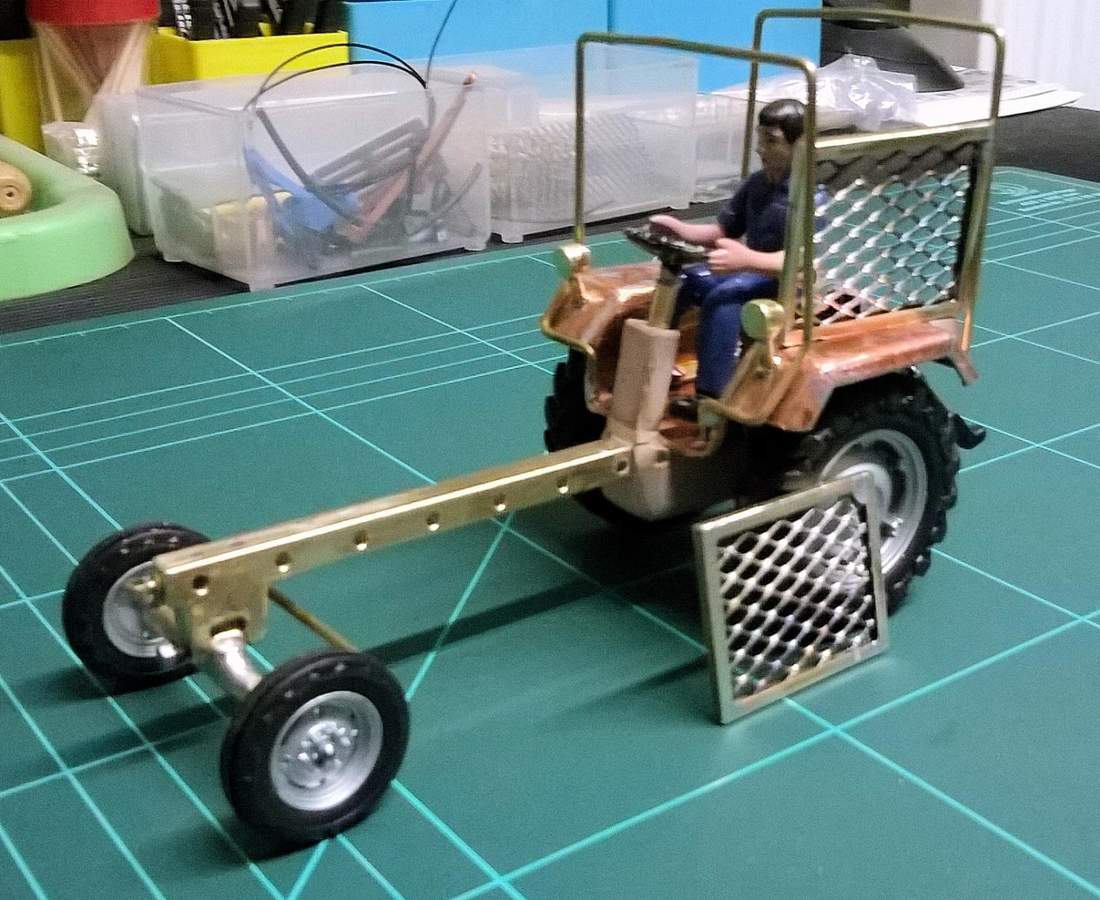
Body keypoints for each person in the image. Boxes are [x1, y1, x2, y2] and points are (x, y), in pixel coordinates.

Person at [650, 98, 806, 416]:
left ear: (798, 146)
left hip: (785, 285)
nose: (760, 149)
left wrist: (746, 259)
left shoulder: (809, 196)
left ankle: (712, 397)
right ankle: (658, 364)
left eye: (771, 141)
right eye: (760, 138)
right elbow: (722, 230)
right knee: (687, 280)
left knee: (724, 298)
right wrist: (680, 230)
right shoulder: (757, 184)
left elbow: (801, 261)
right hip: (749, 272)